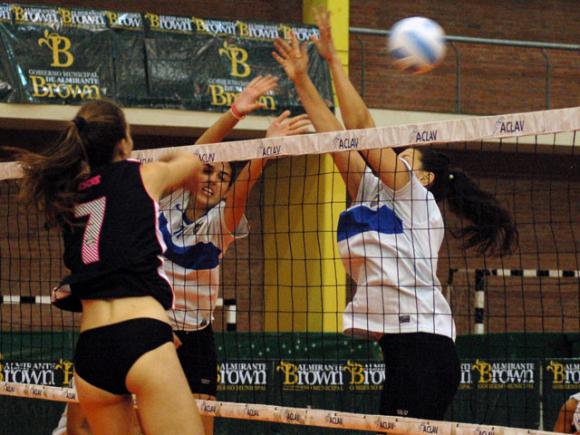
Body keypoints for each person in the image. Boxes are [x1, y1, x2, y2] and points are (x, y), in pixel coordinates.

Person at [273, 9, 518, 420]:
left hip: (426, 349)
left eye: (406, 156)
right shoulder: (370, 191)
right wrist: (301, 79)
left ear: (425, 177)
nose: (397, 157)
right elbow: (335, 135)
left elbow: (363, 128)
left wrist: (334, 61)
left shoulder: (414, 198)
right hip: (403, 350)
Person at [16, 100, 205, 435]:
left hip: (92, 350)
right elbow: (191, 162)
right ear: (124, 142)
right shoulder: (143, 175)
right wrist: (160, 160)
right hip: (141, 335)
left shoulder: (69, 195)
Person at [159, 76, 311, 435]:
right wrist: (235, 113)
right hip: (154, 328)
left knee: (200, 427)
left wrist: (264, 151)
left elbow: (242, 191)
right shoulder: (167, 198)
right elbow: (194, 153)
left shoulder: (220, 225)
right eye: (207, 171)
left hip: (196, 336)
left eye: (222, 176)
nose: (213, 179)